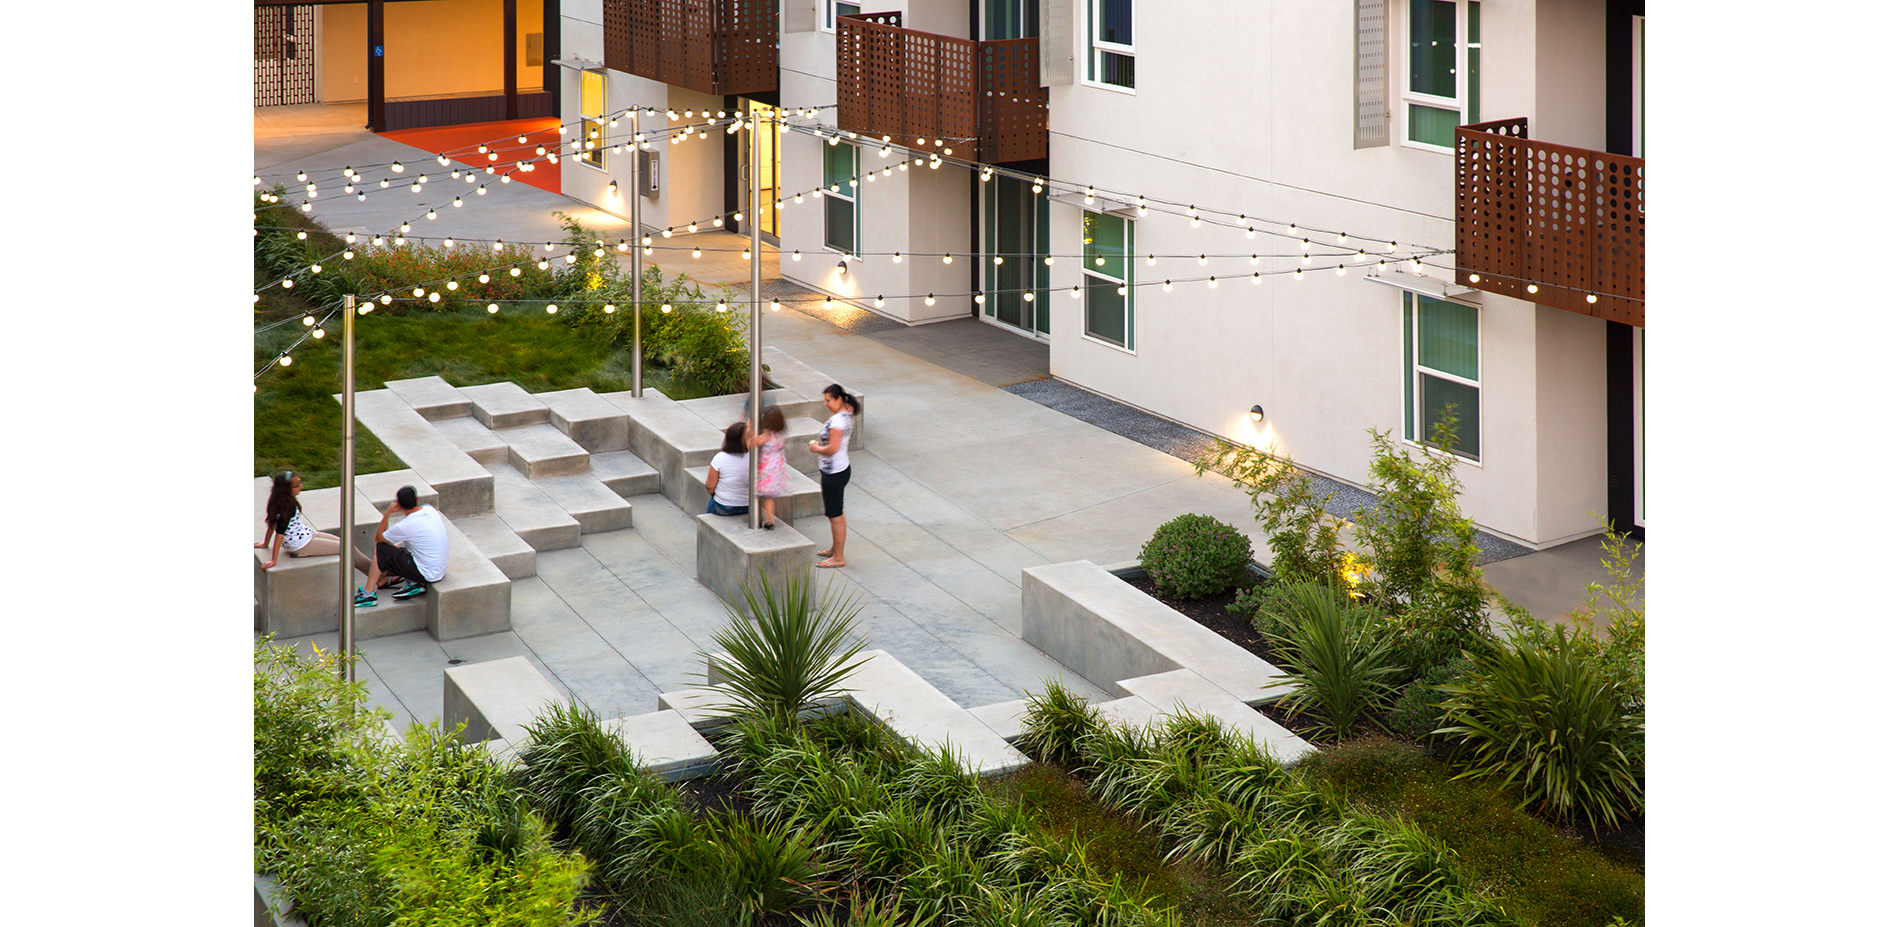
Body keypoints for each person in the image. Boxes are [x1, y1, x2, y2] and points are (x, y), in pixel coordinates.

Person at [257, 470, 374, 578]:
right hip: (302, 544)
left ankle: (375, 572)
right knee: (346, 548)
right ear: (286, 489)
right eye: (297, 485)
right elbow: (279, 533)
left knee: (347, 544)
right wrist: (274, 560)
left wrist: (265, 544)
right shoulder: (287, 507)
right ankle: (376, 574)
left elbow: (271, 524)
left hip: (307, 535)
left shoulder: (277, 501)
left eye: (300, 483)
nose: (301, 487)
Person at [356, 485, 449, 608]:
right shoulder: (430, 509)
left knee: (381, 550)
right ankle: (406, 581)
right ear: (417, 499)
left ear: (399, 505)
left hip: (427, 573)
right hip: (439, 569)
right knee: (401, 546)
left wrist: (387, 513)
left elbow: (379, 538)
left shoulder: (405, 525)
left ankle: (368, 595)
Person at [807, 384, 859, 568]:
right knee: (836, 513)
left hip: (834, 473)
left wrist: (816, 448)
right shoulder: (845, 414)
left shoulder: (838, 422)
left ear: (839, 400)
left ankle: (838, 557)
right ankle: (835, 549)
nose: (826, 403)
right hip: (840, 470)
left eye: (829, 400)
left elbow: (832, 448)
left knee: (835, 515)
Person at [747, 405, 789, 529]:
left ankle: (770, 520)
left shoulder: (767, 436)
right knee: (769, 496)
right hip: (777, 468)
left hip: (767, 469)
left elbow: (752, 443)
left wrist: (749, 430)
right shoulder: (780, 435)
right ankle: (769, 518)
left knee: (766, 497)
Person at [704, 421, 752, 517]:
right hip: (749, 505)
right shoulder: (755, 457)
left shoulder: (719, 458)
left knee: (711, 502)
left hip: (724, 506)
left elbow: (710, 486)